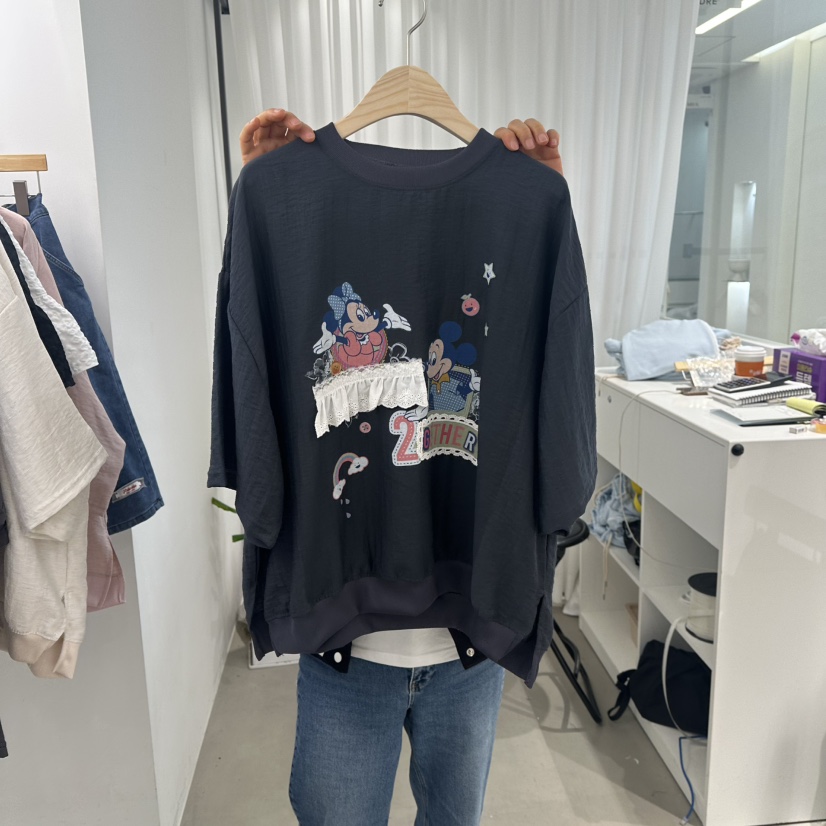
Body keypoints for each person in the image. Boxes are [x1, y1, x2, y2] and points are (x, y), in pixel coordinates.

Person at [237, 109, 565, 826]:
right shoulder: (277, 198)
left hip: (470, 637)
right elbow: (251, 382)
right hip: (343, 646)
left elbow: (558, 382)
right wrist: (268, 190)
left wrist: (538, 203)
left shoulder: (531, 201)